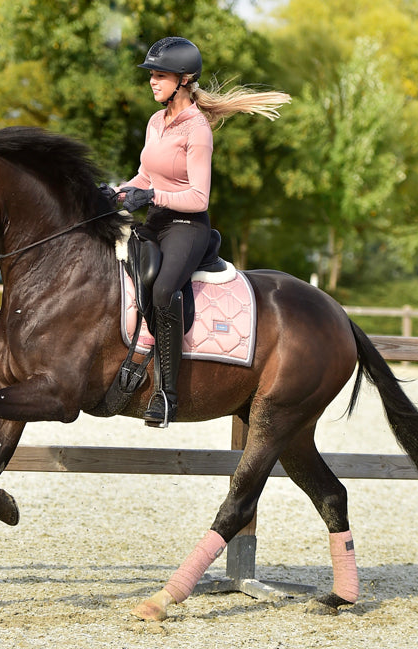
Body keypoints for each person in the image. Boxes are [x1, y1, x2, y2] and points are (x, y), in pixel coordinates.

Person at [116, 36, 290, 428]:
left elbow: (198, 197)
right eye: (152, 76)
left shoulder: (198, 130)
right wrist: (119, 191)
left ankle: (167, 394)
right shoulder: (155, 121)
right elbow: (146, 174)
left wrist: (151, 195)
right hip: (158, 220)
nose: (152, 82)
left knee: (163, 290)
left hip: (186, 227)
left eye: (159, 76)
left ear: (183, 79)